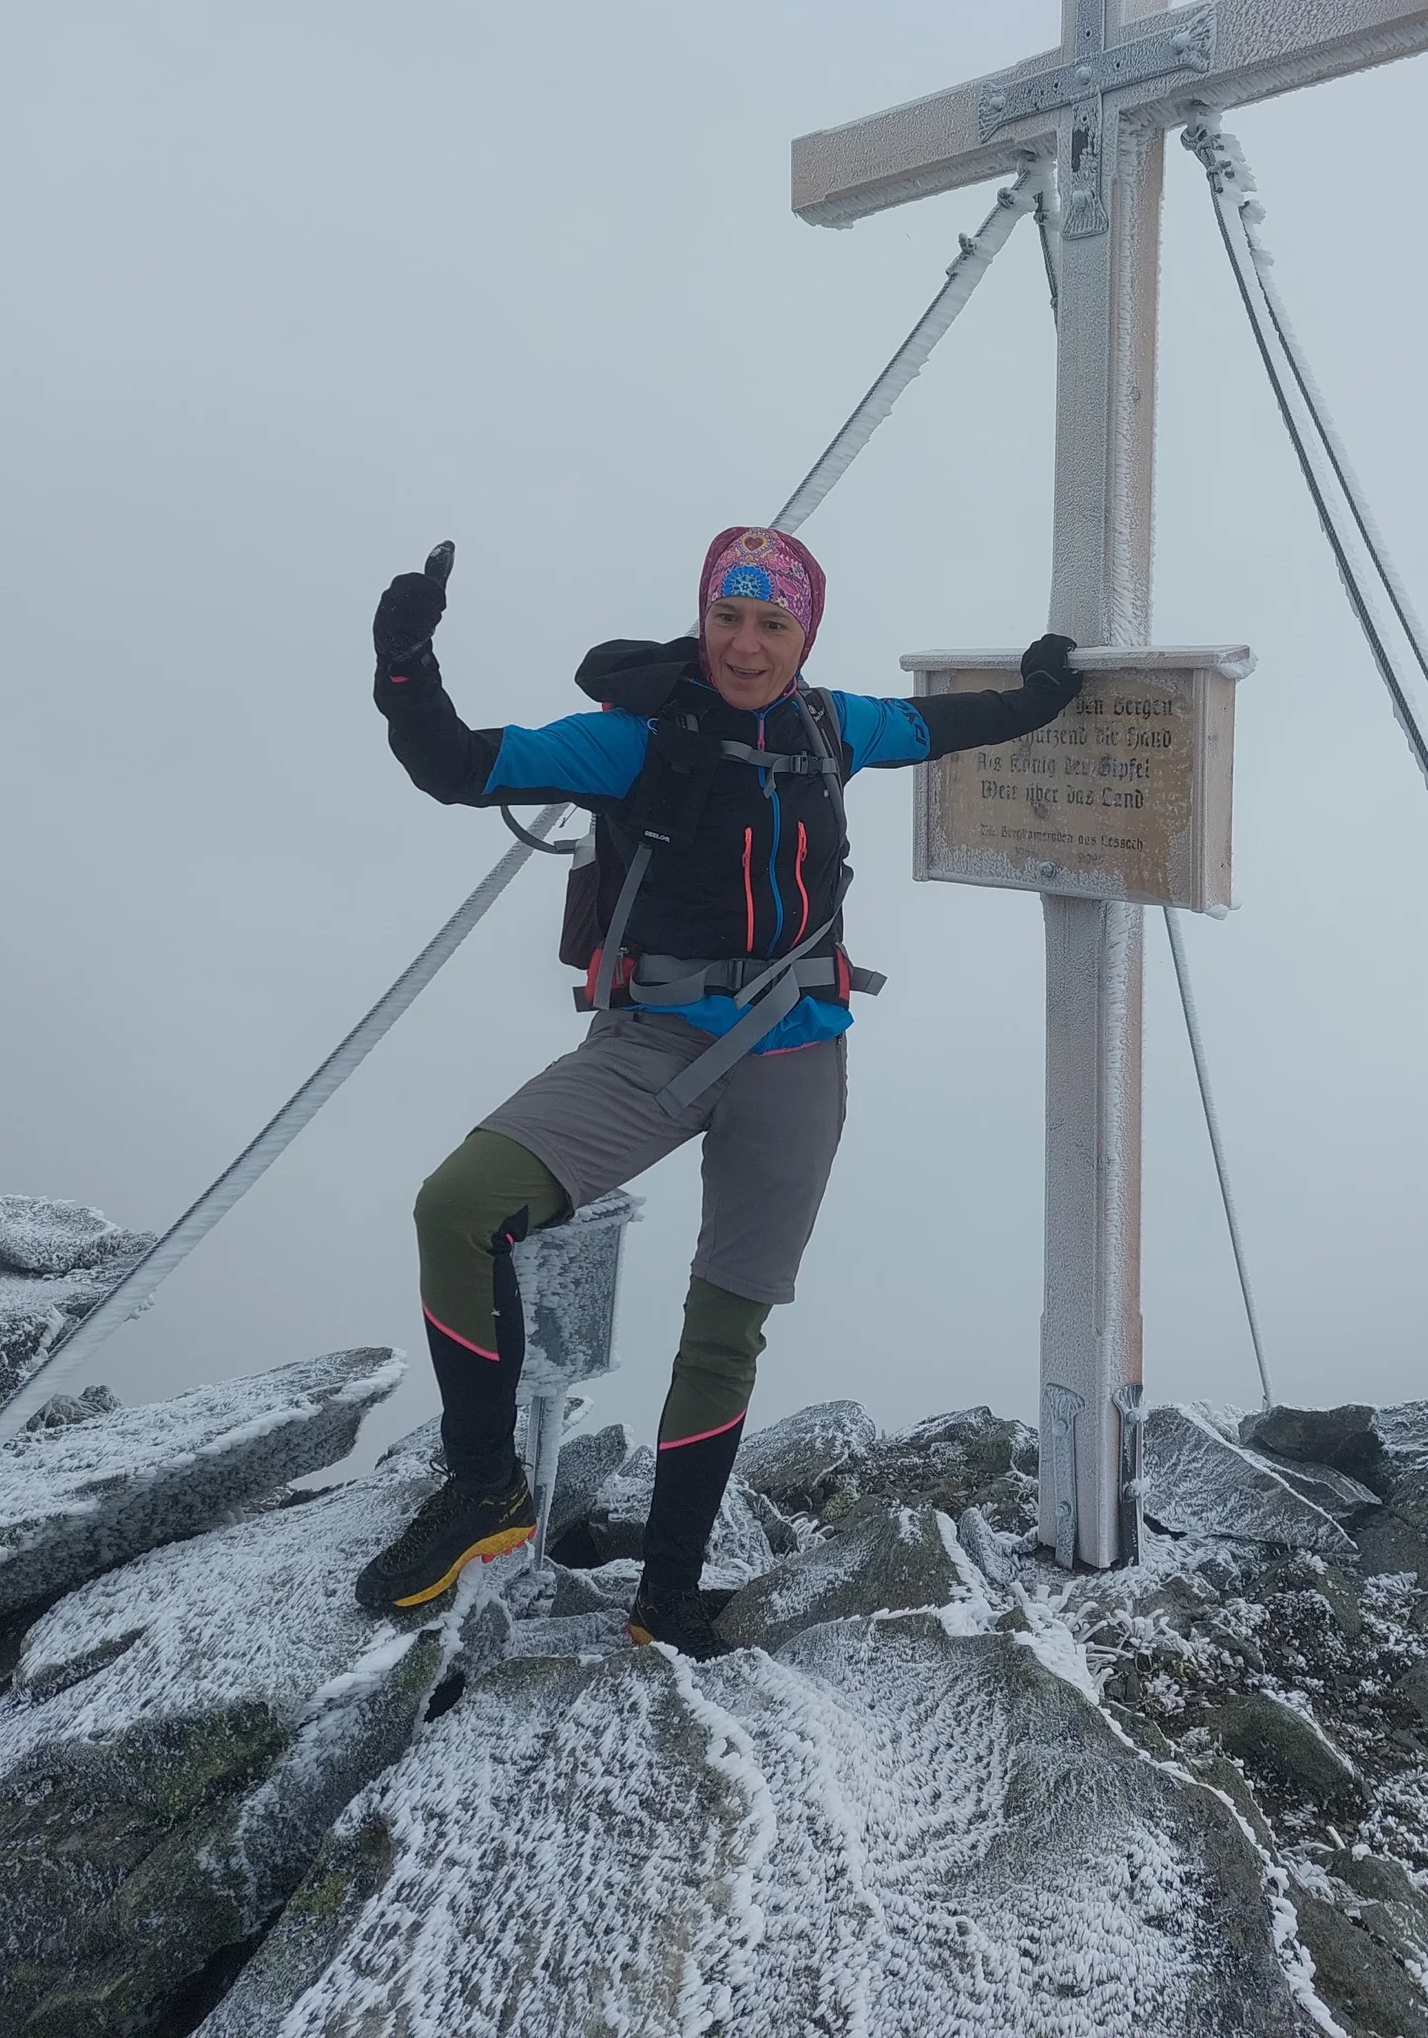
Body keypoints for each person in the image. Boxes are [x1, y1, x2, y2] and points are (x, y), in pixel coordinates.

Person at [354, 523, 1081, 1654]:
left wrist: (1040, 693)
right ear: (702, 618)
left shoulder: (835, 726)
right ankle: (486, 1489)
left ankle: (668, 1599)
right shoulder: (631, 738)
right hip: (646, 1044)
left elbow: (944, 725)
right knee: (458, 1206)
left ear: (805, 635)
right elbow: (457, 765)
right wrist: (406, 665)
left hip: (796, 1049)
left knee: (724, 1326)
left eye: (772, 622)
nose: (746, 645)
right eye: (728, 617)